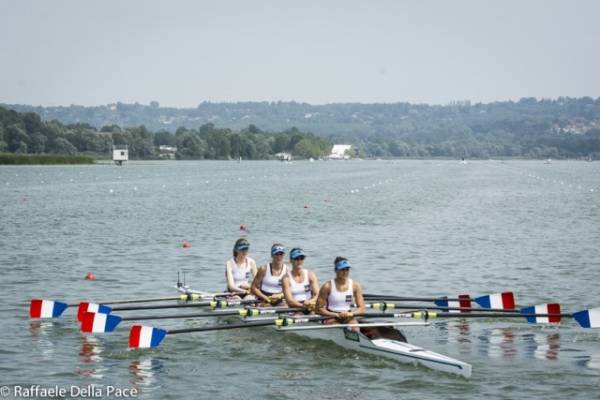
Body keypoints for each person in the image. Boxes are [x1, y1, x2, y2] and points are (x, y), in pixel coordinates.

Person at [316, 257, 365, 329]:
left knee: (355, 329)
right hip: (331, 316)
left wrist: (351, 313)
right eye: (342, 270)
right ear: (335, 270)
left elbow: (362, 309)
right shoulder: (327, 286)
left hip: (348, 315)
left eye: (347, 269)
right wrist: (336, 315)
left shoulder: (355, 285)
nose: (345, 272)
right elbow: (318, 309)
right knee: (337, 329)